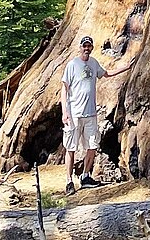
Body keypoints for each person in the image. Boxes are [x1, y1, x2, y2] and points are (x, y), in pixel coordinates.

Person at [61, 35, 134, 195]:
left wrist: (127, 67)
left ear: (91, 48)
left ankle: (86, 176)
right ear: (80, 47)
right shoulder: (72, 65)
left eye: (89, 46)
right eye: (84, 46)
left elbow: (106, 74)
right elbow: (64, 88)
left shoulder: (93, 63)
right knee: (71, 148)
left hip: (90, 114)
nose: (87, 48)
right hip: (74, 114)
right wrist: (65, 112)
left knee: (92, 146)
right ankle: (68, 181)